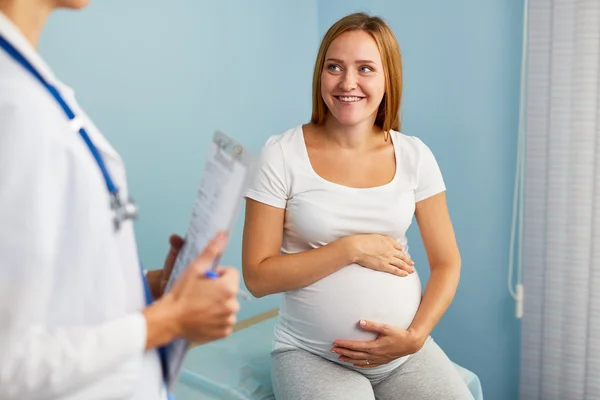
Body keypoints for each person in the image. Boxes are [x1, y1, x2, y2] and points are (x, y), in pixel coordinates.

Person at [0, 1, 240, 399]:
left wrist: (151, 288)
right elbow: (9, 361)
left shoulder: (27, 88)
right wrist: (168, 321)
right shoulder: (15, 107)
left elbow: (55, 293)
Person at [242, 12, 474, 400]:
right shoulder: (281, 155)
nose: (347, 83)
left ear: (388, 79)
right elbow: (258, 277)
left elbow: (448, 262)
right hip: (314, 355)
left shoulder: (414, 155)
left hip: (402, 354)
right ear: (321, 75)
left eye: (365, 68)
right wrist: (351, 249)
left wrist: (415, 337)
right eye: (334, 67)